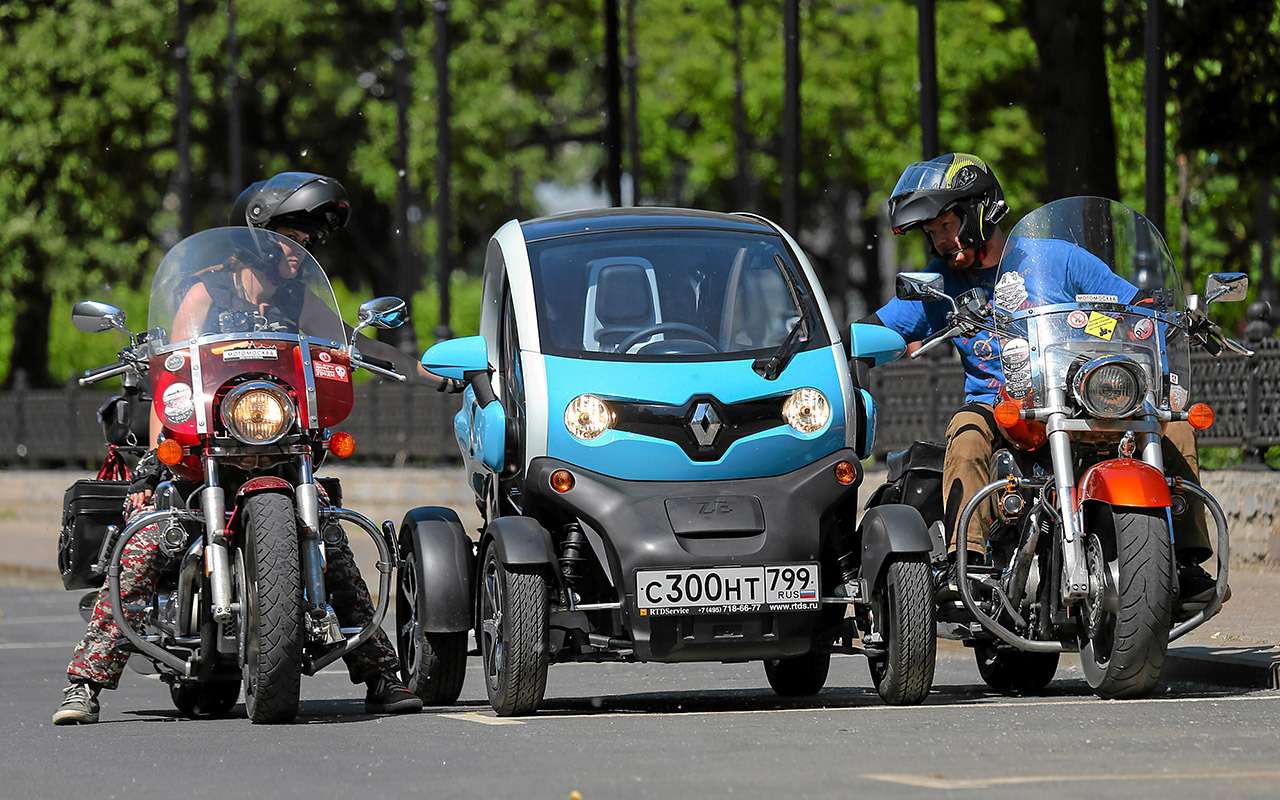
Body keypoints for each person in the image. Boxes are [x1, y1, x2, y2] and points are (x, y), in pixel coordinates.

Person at [53, 173, 424, 725]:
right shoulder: (206, 289)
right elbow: (171, 366)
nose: (301, 251)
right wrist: (163, 441)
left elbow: (347, 342)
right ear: (257, 233)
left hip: (275, 448)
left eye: (307, 241)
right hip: (204, 449)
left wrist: (420, 372)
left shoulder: (300, 300)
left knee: (331, 540)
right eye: (291, 236)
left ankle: (381, 676)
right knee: (146, 538)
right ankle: (85, 685)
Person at [863, 153, 1216, 600]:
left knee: (1177, 423)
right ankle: (966, 564)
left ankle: (1184, 562)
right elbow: (874, 328)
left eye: (946, 226)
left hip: (1082, 401)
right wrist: (839, 349)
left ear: (979, 212)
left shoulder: (1058, 259)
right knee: (966, 432)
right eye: (932, 234)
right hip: (1004, 414)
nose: (941, 243)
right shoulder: (936, 285)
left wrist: (1175, 317)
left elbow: (1136, 308)